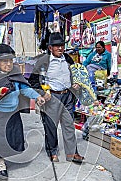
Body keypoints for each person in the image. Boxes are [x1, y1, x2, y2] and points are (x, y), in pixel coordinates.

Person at [0, 44, 45, 180]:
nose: (9, 64)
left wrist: (37, 97)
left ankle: (4, 156)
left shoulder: (15, 73)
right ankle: (1, 163)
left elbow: (24, 88)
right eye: (5, 61)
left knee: (12, 136)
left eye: (11, 61)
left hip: (13, 112)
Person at [29, 32, 84, 164]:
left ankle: (72, 153)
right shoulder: (43, 61)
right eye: (56, 46)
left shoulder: (68, 58)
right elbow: (33, 82)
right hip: (52, 97)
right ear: (50, 48)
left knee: (69, 125)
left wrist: (75, 83)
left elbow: (75, 74)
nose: (60, 48)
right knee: (51, 126)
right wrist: (42, 93)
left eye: (62, 45)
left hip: (67, 96)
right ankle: (52, 151)